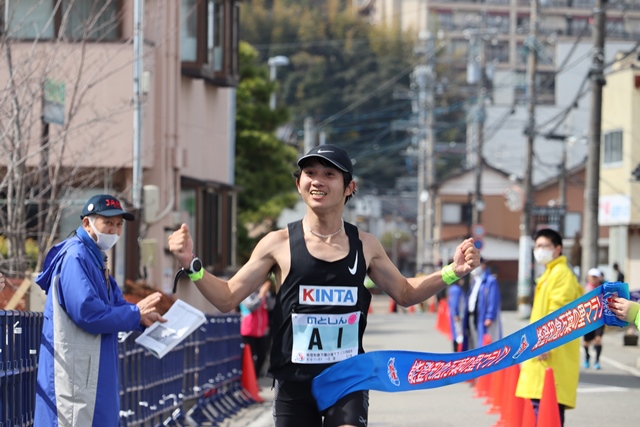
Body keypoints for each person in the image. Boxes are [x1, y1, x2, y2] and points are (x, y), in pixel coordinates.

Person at [168, 144, 480, 427]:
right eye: (310, 173)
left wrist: (453, 271)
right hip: (294, 381)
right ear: (298, 184)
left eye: (329, 174)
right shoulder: (277, 244)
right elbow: (227, 297)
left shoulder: (366, 245)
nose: (317, 180)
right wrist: (192, 265)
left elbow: (406, 293)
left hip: (347, 378)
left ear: (349, 187)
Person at [34, 194, 166, 427]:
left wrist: (141, 318)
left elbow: (114, 303)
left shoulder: (92, 257)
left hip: (89, 370)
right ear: (87, 222)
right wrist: (135, 313)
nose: (114, 231)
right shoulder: (76, 256)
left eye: (119, 225)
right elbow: (88, 312)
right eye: (108, 223)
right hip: (76, 373)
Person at [515, 228, 583, 426]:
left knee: (547, 408)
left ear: (557, 249)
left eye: (545, 246)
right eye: (537, 246)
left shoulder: (561, 274)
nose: (540, 250)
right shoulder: (551, 273)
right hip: (547, 353)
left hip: (551, 353)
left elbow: (558, 313)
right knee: (544, 406)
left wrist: (545, 342)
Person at [465, 257, 502, 349]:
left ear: (483, 265)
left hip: (483, 316)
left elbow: (493, 300)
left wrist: (490, 316)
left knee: (485, 342)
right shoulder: (474, 281)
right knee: (474, 340)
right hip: (473, 315)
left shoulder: (490, 281)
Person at [240, 277, 273, 378]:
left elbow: (272, 306)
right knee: (250, 357)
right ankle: (249, 378)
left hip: (262, 331)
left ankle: (255, 377)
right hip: (248, 331)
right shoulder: (246, 294)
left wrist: (266, 297)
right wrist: (261, 296)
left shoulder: (264, 293)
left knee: (262, 355)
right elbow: (252, 307)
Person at [582, 268, 605, 369]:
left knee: (598, 339)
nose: (594, 279)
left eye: (596, 277)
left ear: (599, 278)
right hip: (588, 319)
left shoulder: (603, 289)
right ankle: (587, 358)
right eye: (592, 277)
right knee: (586, 342)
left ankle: (597, 361)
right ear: (588, 277)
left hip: (599, 319)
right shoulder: (584, 289)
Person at [447, 278, 466, 352]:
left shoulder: (452, 288)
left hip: (453, 314)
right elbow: (455, 303)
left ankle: (455, 350)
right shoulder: (457, 289)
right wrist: (456, 314)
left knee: (455, 333)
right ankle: (458, 352)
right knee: (458, 334)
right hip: (458, 315)